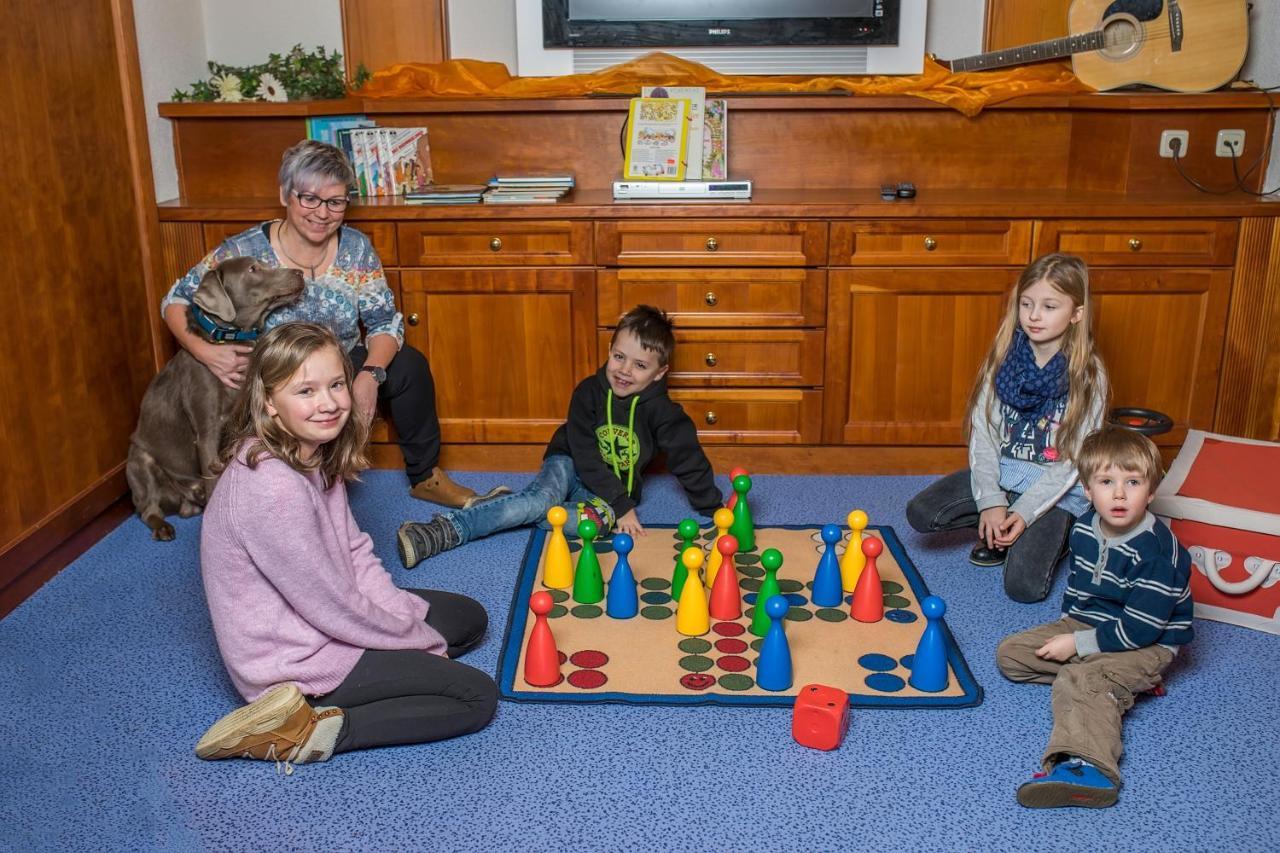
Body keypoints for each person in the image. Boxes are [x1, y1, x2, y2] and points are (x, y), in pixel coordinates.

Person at [194, 322, 497, 772]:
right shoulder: (272, 490)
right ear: (269, 403)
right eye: (306, 391)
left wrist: (397, 610)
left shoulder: (308, 449)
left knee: (468, 620)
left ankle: (397, 664)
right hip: (293, 659)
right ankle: (307, 729)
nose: (330, 403)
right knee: (476, 696)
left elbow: (352, 550)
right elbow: (330, 606)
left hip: (322, 616)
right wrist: (410, 638)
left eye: (336, 384)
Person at [161, 139, 502, 509]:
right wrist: (206, 352)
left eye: (335, 202)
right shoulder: (244, 251)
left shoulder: (356, 248)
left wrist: (370, 374)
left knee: (409, 366)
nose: (323, 213)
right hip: (277, 370)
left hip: (339, 360)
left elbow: (384, 323)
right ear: (285, 195)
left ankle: (426, 476)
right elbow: (175, 301)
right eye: (310, 199)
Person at [397, 304, 723, 567]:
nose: (624, 370)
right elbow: (585, 452)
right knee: (543, 501)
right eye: (619, 357)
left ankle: (504, 505)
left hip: (607, 492)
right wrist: (623, 505)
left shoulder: (663, 412)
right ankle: (447, 529)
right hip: (570, 460)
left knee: (592, 527)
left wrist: (714, 507)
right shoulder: (588, 392)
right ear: (610, 349)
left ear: (659, 372)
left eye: (640, 365)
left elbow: (687, 456)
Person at [996, 425, 1193, 808]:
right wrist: (1072, 628)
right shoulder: (1085, 527)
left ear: (1151, 491)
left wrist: (1078, 645)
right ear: (1087, 489)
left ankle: (1089, 769)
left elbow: (1141, 628)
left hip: (1148, 641)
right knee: (1011, 656)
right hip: (1093, 623)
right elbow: (1079, 588)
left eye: (1133, 482)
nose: (1119, 494)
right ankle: (1115, 682)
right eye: (1106, 481)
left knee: (1080, 676)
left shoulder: (1155, 554)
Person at [905, 253, 1108, 602]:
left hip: (1055, 495)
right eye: (1026, 303)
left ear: (1076, 313)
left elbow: (1072, 463)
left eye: (1049, 306)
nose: (1033, 315)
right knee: (921, 513)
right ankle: (997, 528)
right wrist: (991, 502)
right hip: (1003, 475)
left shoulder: (1089, 377)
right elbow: (983, 438)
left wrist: (1025, 513)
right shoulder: (1003, 360)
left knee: (1024, 588)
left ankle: (1059, 536)